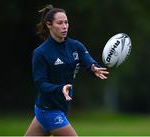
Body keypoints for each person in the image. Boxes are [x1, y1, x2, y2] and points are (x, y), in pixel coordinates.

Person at [25, 4, 109, 136]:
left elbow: (88, 61)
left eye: (66, 22)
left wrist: (93, 67)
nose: (64, 26)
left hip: (58, 108)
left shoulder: (75, 46)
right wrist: (60, 88)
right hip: (49, 110)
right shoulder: (41, 53)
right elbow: (40, 84)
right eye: (60, 23)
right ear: (49, 25)